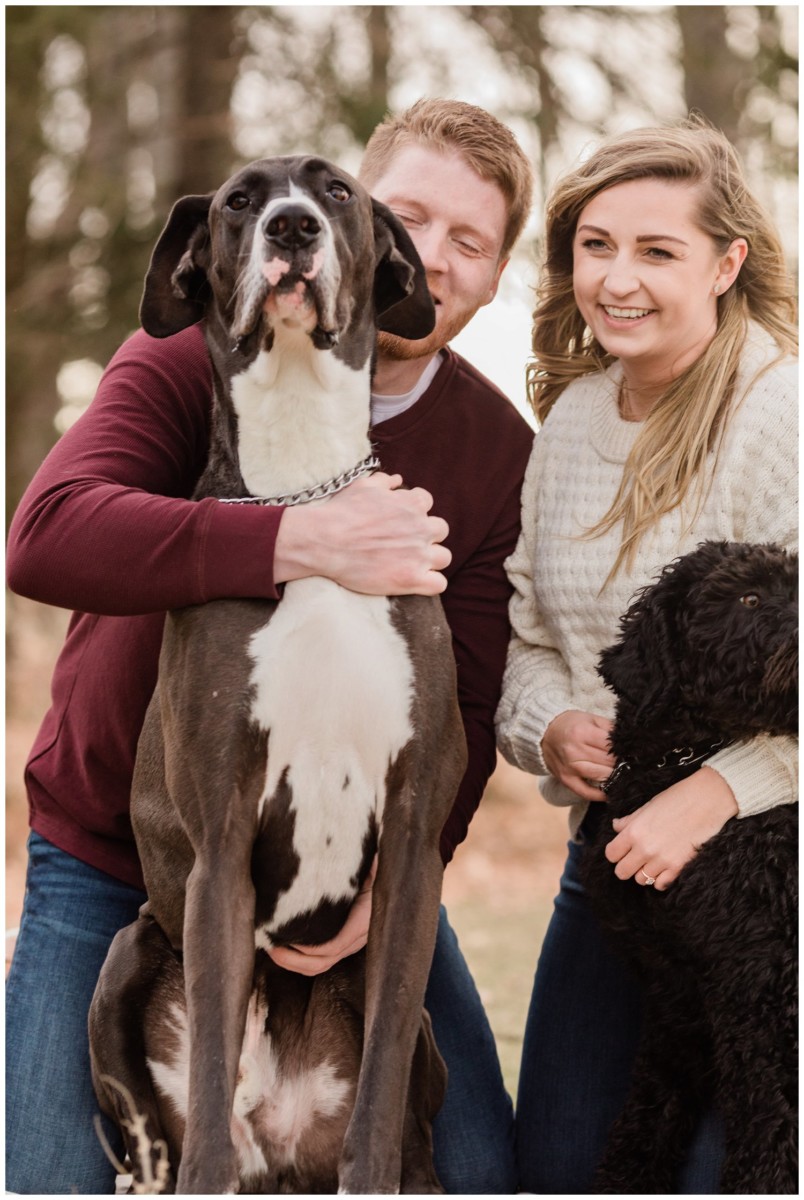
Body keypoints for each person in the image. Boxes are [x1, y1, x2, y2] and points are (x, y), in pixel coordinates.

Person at [6, 99, 535, 1195]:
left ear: (457, 276)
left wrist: (391, 890)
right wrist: (298, 537)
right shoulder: (175, 365)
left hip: (356, 885)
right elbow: (46, 536)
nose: (433, 249)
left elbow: (469, 712)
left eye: (467, 241)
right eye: (414, 212)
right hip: (120, 861)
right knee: (50, 1175)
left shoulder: (493, 450)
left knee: (478, 1169)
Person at [495, 117, 797, 1194]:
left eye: (657, 251)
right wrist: (550, 729)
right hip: (613, 863)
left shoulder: (781, 416)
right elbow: (529, 637)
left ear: (725, 263)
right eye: (596, 244)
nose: (618, 279)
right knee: (565, 1164)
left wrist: (720, 790)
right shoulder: (573, 419)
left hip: (776, 874)